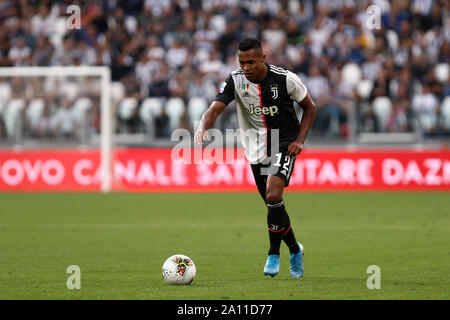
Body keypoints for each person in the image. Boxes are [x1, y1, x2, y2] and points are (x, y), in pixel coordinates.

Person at [194, 38, 317, 278]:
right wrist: (203, 127)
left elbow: (310, 108)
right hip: (255, 147)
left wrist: (299, 140)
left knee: (273, 194)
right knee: (274, 204)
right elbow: (215, 109)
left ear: (263, 58)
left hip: (283, 141)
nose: (246, 67)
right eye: (242, 62)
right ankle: (294, 248)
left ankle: (273, 253)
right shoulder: (235, 80)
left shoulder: (285, 79)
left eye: (251, 61)